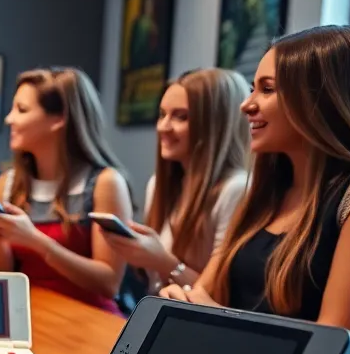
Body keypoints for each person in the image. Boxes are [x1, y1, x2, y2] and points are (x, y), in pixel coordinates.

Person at [163, 26, 350, 354]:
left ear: (327, 99)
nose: (247, 104)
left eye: (267, 89)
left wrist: (208, 319)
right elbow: (203, 296)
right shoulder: (266, 191)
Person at [0, 68, 132, 314]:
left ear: (59, 119)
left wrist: (36, 241)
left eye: (21, 110)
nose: (9, 119)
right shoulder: (6, 184)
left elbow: (108, 283)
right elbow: (0, 279)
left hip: (89, 321)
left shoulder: (104, 183)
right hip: (25, 317)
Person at [101, 68, 249, 294]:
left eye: (181, 117)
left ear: (215, 126)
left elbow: (220, 297)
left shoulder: (235, 189)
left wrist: (161, 261)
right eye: (162, 114)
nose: (163, 127)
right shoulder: (159, 185)